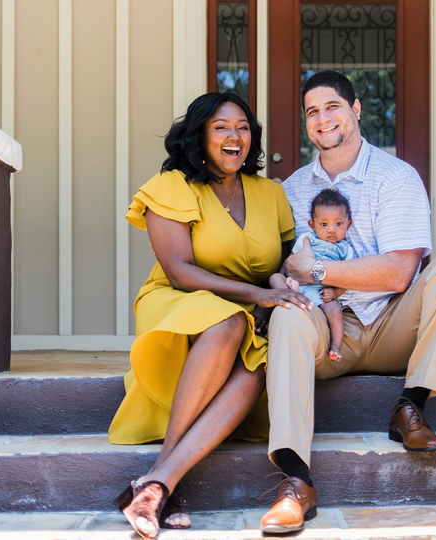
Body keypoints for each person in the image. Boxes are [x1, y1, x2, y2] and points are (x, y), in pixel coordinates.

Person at [259, 71, 436, 534]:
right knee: (286, 313)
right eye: (312, 112)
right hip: (325, 326)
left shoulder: (396, 177)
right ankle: (296, 482)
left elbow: (400, 273)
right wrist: (287, 280)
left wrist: (316, 271)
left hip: (390, 324)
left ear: (356, 109)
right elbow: (283, 268)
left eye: (333, 107)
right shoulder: (291, 190)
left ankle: (411, 404)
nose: (323, 119)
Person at [108, 92, 313, 539]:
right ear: (200, 135)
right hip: (180, 303)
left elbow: (279, 264)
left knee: (258, 364)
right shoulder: (171, 187)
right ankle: (166, 464)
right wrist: (257, 297)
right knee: (228, 322)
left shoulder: (270, 193)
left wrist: (277, 287)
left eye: (242, 127)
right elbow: (180, 271)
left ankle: (157, 485)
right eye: (221, 127)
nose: (234, 135)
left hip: (248, 305)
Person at [269, 188, 355, 361]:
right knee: (274, 278)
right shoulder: (307, 239)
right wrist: (283, 278)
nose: (332, 230)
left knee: (335, 310)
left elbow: (348, 278)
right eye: (324, 224)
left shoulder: (346, 250)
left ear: (348, 224)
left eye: (338, 224)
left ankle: (336, 346)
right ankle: (289, 293)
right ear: (312, 225)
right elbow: (290, 260)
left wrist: (336, 293)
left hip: (321, 292)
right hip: (297, 285)